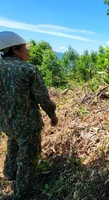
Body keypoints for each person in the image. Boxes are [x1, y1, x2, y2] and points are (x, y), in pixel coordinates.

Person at [0, 31, 58, 199]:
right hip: (28, 123)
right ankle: (21, 193)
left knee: (13, 143)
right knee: (27, 159)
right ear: (16, 49)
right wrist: (52, 116)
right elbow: (43, 98)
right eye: (26, 48)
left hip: (6, 123)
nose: (28, 52)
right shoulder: (28, 70)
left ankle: (9, 173)